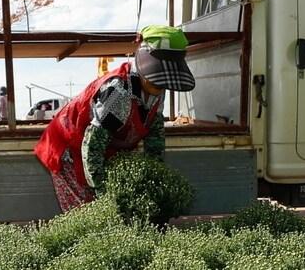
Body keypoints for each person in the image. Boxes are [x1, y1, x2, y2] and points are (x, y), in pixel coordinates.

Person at [35, 25, 195, 211]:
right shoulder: (117, 92)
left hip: (106, 149)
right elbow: (93, 143)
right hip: (71, 148)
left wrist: (154, 177)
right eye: (156, 79)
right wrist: (102, 192)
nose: (160, 86)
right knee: (89, 212)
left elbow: (154, 134)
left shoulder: (158, 91)